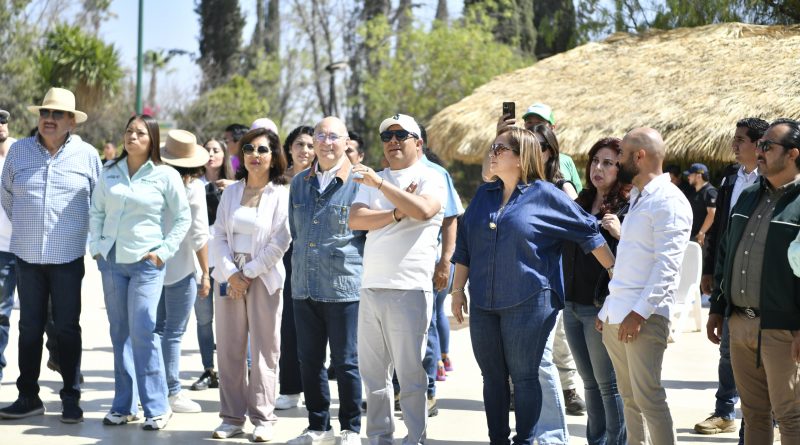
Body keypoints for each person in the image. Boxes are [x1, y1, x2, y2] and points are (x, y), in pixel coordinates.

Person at [450, 126, 614, 445]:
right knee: (493, 378)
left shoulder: (546, 195)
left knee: (525, 378)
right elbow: (465, 245)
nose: (492, 154)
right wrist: (458, 290)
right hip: (483, 303)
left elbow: (588, 232)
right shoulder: (484, 194)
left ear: (521, 157)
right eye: (492, 148)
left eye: (501, 149)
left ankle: (525, 440)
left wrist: (615, 273)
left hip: (529, 303)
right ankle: (498, 439)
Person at [0, 88, 101, 423]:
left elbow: (97, 205)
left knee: (67, 329)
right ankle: (28, 396)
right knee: (28, 328)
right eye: (45, 112)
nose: (49, 119)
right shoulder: (18, 152)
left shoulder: (87, 155)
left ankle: (71, 397)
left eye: (58, 114)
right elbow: (8, 197)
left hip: (68, 259)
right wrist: (31, 229)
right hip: (27, 257)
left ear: (72, 121)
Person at [349, 113, 446, 445]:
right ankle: (378, 436)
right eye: (386, 137)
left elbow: (425, 210)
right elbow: (356, 219)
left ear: (418, 143)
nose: (392, 142)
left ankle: (415, 437)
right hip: (372, 285)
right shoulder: (374, 177)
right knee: (374, 375)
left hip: (409, 288)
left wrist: (381, 188)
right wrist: (395, 212)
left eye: (400, 135)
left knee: (410, 374)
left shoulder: (431, 176)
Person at [90, 118, 190, 430]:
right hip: (112, 262)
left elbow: (182, 217)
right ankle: (124, 406)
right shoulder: (109, 171)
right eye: (129, 131)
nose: (132, 136)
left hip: (147, 264)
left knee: (144, 330)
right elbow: (97, 211)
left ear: (152, 139)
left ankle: (158, 407)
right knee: (119, 334)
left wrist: (163, 251)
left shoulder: (165, 174)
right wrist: (97, 246)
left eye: (140, 133)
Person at [598, 127, 691, 445]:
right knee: (630, 400)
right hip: (617, 314)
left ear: (640, 156)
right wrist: (608, 309)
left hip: (643, 319)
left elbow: (667, 268)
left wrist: (637, 315)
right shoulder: (638, 197)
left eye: (620, 155)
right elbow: (632, 260)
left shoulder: (670, 201)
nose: (615, 162)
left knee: (649, 399)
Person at [713, 118, 800, 444]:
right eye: (759, 145)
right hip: (739, 324)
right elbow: (726, 252)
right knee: (753, 414)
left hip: (783, 329)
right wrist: (718, 308)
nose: (759, 151)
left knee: (791, 416)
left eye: (767, 146)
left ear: (792, 154)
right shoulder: (748, 195)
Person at [285, 117, 364, 445]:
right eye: (320, 136)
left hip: (343, 285)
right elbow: (295, 230)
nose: (326, 142)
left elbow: (366, 235)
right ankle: (318, 426)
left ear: (346, 142)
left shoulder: (361, 182)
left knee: (346, 362)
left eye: (334, 136)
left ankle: (350, 428)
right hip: (304, 286)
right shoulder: (299, 183)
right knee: (310, 360)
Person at [208, 127, 290, 441]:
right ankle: (231, 417)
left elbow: (281, 240)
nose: (255, 156)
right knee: (229, 350)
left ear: (273, 156)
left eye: (262, 150)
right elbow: (218, 235)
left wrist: (249, 273)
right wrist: (231, 273)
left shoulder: (281, 193)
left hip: (264, 278)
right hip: (228, 277)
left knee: (265, 350)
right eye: (249, 149)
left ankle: (264, 418)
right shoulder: (231, 191)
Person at [695, 117, 767, 439]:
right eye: (734, 139)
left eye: (741, 140)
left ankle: (768, 419)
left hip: (760, 282)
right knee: (728, 348)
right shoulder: (728, 179)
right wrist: (709, 268)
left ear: (759, 144)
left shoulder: (773, 182)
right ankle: (725, 411)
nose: (734, 145)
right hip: (728, 274)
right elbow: (721, 232)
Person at [562, 137, 629, 445]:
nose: (598, 168)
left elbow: (637, 259)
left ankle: (616, 441)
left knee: (608, 385)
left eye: (608, 163)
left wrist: (620, 232)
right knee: (589, 383)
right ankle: (596, 441)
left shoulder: (627, 208)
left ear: (621, 168)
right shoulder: (578, 203)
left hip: (600, 307)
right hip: (571, 304)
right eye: (595, 161)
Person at [156, 130, 211, 413]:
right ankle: (172, 392)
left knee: (155, 332)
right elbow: (199, 234)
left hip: (151, 267)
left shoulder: (153, 181)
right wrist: (205, 272)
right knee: (174, 333)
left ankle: (154, 391)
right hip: (180, 268)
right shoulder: (194, 187)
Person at [275, 125, 315, 411]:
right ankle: (289, 388)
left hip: (313, 257)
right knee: (286, 326)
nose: (305, 150)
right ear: (289, 148)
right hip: (278, 257)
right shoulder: (275, 181)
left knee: (315, 327)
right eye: (300, 144)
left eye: (311, 145)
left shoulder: (324, 180)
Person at [190, 137, 235, 391]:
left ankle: (238, 368)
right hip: (201, 259)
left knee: (232, 318)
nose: (211, 154)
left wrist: (232, 188)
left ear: (224, 154)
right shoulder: (194, 183)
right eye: (207, 150)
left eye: (216, 150)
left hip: (227, 260)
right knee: (203, 318)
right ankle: (209, 369)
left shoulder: (237, 183)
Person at [0, 109, 17, 386]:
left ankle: (61, 359)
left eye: (2, 120)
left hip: (28, 245)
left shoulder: (21, 151)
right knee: (1, 310)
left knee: (49, 312)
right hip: (1, 248)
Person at [683, 163, 717, 245]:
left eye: (690, 175)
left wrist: (702, 232)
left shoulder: (710, 192)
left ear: (698, 176)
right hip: (691, 235)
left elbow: (712, 214)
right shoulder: (694, 192)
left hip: (701, 238)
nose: (688, 177)